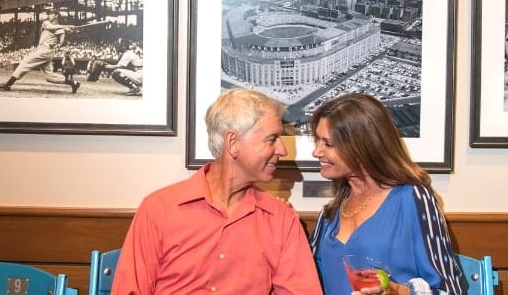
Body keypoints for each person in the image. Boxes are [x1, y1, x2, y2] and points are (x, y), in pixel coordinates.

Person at [112, 88, 321, 295]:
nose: (282, 150)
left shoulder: (281, 219)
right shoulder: (159, 209)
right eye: (271, 139)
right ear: (232, 142)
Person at [308, 93, 467, 295]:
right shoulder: (329, 215)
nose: (316, 152)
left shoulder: (413, 199)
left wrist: (397, 292)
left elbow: (451, 291)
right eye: (318, 141)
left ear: (362, 146)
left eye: (328, 144)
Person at [0, 12, 78, 92]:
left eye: (51, 14)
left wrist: (67, 31)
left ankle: (8, 85)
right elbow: (51, 27)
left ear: (56, 15)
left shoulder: (60, 29)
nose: (49, 15)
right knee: (50, 76)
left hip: (45, 50)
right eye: (49, 14)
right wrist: (66, 26)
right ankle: (74, 83)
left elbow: (61, 42)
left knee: (25, 63)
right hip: (45, 51)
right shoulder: (46, 23)